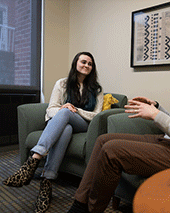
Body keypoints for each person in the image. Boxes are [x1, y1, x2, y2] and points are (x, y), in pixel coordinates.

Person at [68, 31, 170, 213]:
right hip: (169, 142)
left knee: (111, 151)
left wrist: (156, 115)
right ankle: (79, 204)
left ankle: (92, 210)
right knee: (103, 140)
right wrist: (156, 107)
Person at [2, 52, 104, 213]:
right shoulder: (62, 84)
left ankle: (34, 159)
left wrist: (74, 110)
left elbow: (97, 116)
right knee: (66, 127)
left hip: (84, 124)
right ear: (75, 63)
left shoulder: (97, 89)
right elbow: (51, 109)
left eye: (90, 64)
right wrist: (66, 111)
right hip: (66, 122)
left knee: (66, 111)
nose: (86, 65)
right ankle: (46, 183)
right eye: (83, 62)